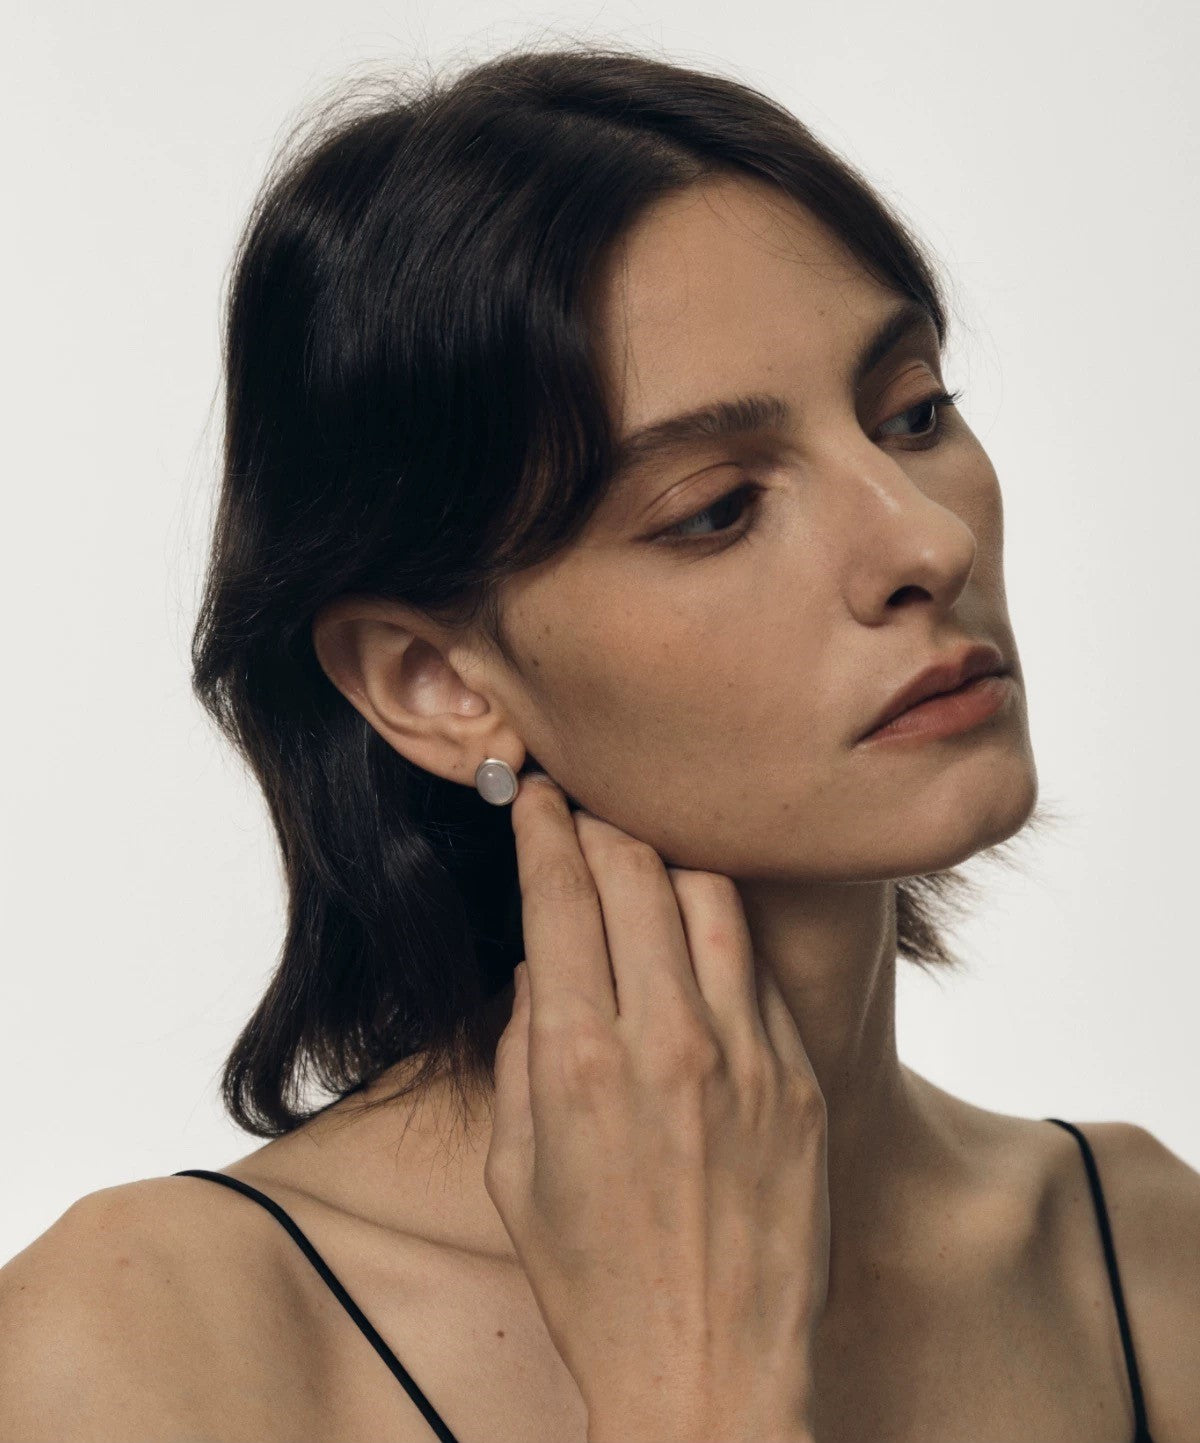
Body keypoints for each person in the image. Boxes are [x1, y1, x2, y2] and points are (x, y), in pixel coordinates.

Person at [1, 42, 1197, 1443]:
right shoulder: (141, 1357)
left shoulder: (1151, 1268)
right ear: (439, 680)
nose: (927, 542)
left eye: (913, 415)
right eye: (716, 508)